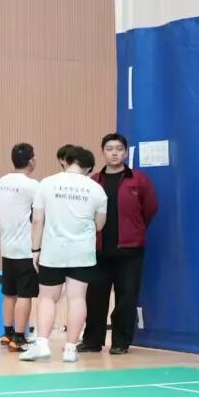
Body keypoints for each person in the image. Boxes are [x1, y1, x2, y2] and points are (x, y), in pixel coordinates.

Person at [19, 146, 107, 364]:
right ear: (89, 168)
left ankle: (41, 344)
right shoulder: (97, 189)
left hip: (53, 251)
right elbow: (99, 225)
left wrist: (35, 250)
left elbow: (37, 221)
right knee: (77, 298)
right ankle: (70, 349)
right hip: (82, 253)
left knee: (47, 297)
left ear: (66, 162)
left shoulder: (47, 184)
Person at [81, 133, 158, 355]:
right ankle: (92, 341)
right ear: (103, 152)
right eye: (109, 149)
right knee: (95, 298)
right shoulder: (93, 181)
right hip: (98, 251)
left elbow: (150, 208)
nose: (114, 153)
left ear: (125, 153)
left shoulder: (139, 180)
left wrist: (135, 229)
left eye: (119, 149)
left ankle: (120, 342)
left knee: (127, 298)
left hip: (130, 251)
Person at [0, 143, 40, 352]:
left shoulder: (1, 182)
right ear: (32, 161)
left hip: (7, 247)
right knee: (24, 295)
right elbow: (39, 215)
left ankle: (7, 333)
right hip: (25, 249)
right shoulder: (33, 186)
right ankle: (19, 337)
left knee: (9, 293)